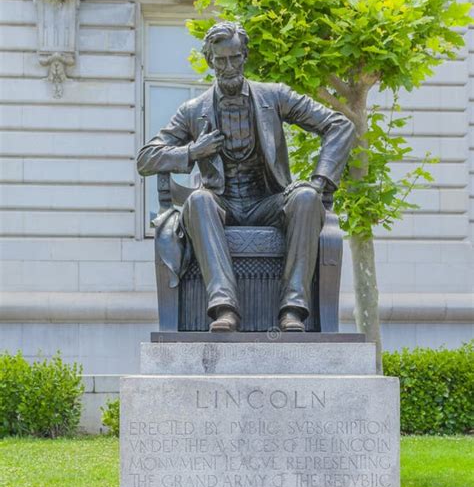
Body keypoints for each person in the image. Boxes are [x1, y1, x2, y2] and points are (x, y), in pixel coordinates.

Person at [137, 21, 355, 332]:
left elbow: (339, 125)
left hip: (268, 201)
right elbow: (146, 157)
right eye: (220, 60)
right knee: (198, 200)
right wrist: (191, 152)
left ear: (245, 56)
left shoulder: (274, 96)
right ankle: (224, 307)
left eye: (234, 58)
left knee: (306, 197)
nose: (228, 67)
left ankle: (293, 308)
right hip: (221, 205)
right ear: (210, 61)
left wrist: (320, 182)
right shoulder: (193, 109)